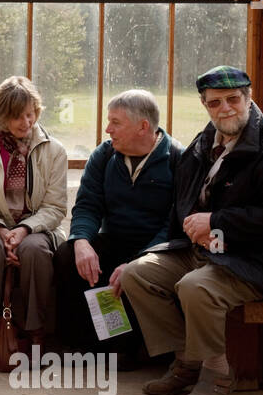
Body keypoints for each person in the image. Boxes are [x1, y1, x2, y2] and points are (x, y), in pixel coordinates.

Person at [117, 66, 263, 395]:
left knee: (195, 286)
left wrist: (217, 222)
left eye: (234, 99)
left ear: (249, 99)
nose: (226, 108)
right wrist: (183, 237)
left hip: (256, 261)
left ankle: (216, 372)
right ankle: (186, 359)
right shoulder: (202, 145)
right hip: (206, 251)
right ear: (205, 105)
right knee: (136, 274)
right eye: (216, 102)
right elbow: (182, 204)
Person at [54, 90, 181, 366]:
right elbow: (87, 205)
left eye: (115, 122)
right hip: (116, 240)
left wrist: (140, 260)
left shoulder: (178, 159)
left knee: (133, 272)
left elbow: (176, 223)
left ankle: (131, 347)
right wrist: (81, 241)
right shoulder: (104, 155)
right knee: (68, 256)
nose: (107, 129)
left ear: (143, 127)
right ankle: (95, 344)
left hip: (159, 249)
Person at [0, 76, 68, 368]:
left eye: (30, 113)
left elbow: (55, 207)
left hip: (37, 227)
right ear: (0, 115)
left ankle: (36, 334)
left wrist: (23, 230)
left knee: (34, 251)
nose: (25, 121)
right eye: (17, 115)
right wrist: (0, 229)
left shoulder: (53, 150)